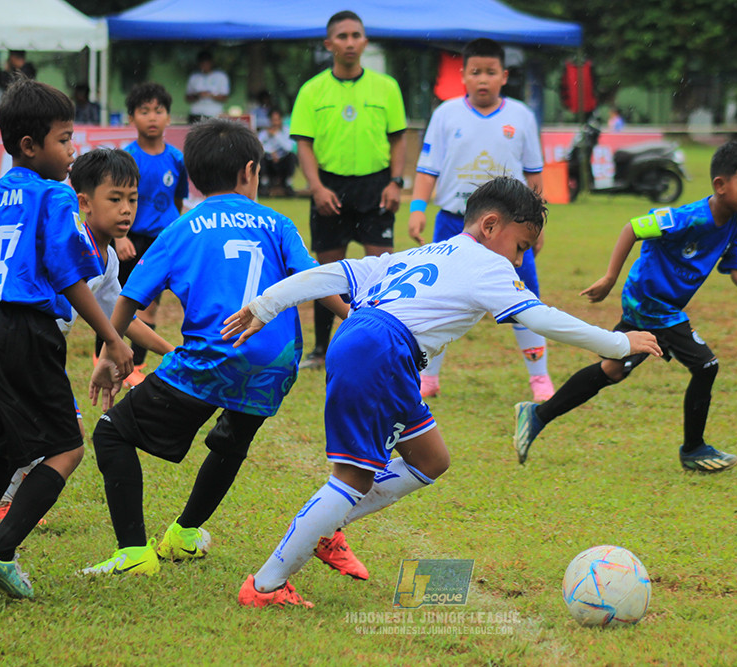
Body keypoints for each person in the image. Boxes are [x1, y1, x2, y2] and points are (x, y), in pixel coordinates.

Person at [223, 177, 661, 608]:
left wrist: (267, 304)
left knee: (431, 459)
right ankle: (265, 586)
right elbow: (541, 318)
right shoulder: (488, 264)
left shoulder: (425, 252)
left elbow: (333, 273)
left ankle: (327, 529)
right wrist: (620, 343)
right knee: (352, 479)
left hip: (368, 343)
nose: (521, 259)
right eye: (522, 246)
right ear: (490, 226)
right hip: (384, 351)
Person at [82, 119, 349, 577]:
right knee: (231, 442)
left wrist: (109, 354)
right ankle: (185, 533)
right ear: (250, 171)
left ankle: (133, 552)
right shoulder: (278, 222)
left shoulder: (182, 227)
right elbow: (316, 281)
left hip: (212, 357)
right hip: (275, 362)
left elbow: (129, 299)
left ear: (192, 176)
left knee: (111, 432)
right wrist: (354, 316)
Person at [0, 77, 134, 599]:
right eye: (65, 139)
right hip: (23, 327)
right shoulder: (54, 195)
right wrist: (111, 337)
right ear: (31, 146)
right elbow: (69, 274)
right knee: (66, 448)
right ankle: (0, 552)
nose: (73, 151)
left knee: (3, 444)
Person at [513, 140, 737, 472]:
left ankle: (537, 415)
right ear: (720, 185)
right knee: (706, 366)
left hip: (661, 304)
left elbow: (736, 267)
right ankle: (694, 449)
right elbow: (633, 227)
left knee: (614, 369)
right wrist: (609, 278)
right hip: (649, 302)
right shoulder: (687, 217)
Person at [0, 149, 172, 524]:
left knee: (12, 440)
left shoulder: (106, 259)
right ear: (85, 203)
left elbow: (120, 319)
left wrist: (169, 351)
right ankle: (2, 509)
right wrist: (113, 341)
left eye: (133, 199)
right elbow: (104, 323)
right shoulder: (66, 239)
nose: (127, 209)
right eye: (115, 199)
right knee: (28, 440)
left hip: (39, 354)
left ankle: (0, 505)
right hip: (22, 346)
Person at [407, 38, 554, 402]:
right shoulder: (445, 115)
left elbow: (534, 176)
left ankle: (539, 378)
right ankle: (428, 377)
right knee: (439, 299)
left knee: (524, 298)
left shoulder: (520, 116)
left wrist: (536, 226)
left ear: (504, 76)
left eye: (490, 72)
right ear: (463, 77)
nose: (483, 80)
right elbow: (428, 170)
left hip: (510, 227)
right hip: (454, 223)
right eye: (475, 72)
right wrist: (416, 209)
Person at [290, 10, 407, 370]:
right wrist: (316, 188)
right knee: (327, 272)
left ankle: (383, 344)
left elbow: (399, 137)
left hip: (376, 184)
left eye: (356, 35)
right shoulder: (312, 90)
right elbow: (304, 144)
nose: (350, 42)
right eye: (342, 36)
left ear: (365, 41)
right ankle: (321, 350)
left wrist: (395, 182)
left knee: (381, 270)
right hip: (330, 188)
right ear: (329, 44)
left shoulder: (386, 87)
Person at [113, 82, 188, 386]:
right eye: (144, 111)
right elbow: (115, 200)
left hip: (163, 241)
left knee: (152, 303)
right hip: (131, 240)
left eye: (159, 110)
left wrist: (175, 232)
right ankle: (106, 353)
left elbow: (178, 200)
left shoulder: (177, 159)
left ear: (169, 117)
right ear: (131, 117)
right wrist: (119, 238)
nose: (152, 117)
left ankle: (137, 365)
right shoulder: (127, 158)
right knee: (123, 302)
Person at [258, 108, 297, 197]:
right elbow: (259, 147)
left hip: (282, 161)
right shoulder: (264, 133)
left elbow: (288, 147)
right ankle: (265, 183)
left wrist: (276, 134)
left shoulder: (287, 131)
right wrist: (271, 152)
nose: (275, 123)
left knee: (291, 156)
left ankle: (287, 183)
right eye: (273, 120)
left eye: (277, 120)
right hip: (269, 162)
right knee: (260, 158)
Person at [185, 51, 230, 123]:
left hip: (214, 114)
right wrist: (198, 95)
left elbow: (224, 97)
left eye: (206, 63)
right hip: (196, 114)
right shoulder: (194, 77)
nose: (204, 65)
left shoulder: (221, 76)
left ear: (211, 63)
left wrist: (210, 95)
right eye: (202, 63)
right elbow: (187, 98)